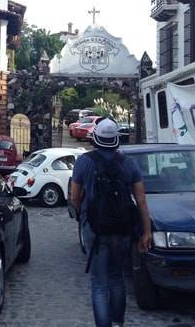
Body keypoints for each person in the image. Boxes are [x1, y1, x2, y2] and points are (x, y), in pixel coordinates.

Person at [70, 117, 152, 327]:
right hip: (122, 228)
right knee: (116, 278)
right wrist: (146, 231)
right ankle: (118, 323)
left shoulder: (84, 162)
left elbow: (74, 197)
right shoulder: (128, 163)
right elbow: (141, 199)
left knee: (99, 283)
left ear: (96, 138)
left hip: (95, 230)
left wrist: (83, 216)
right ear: (116, 140)